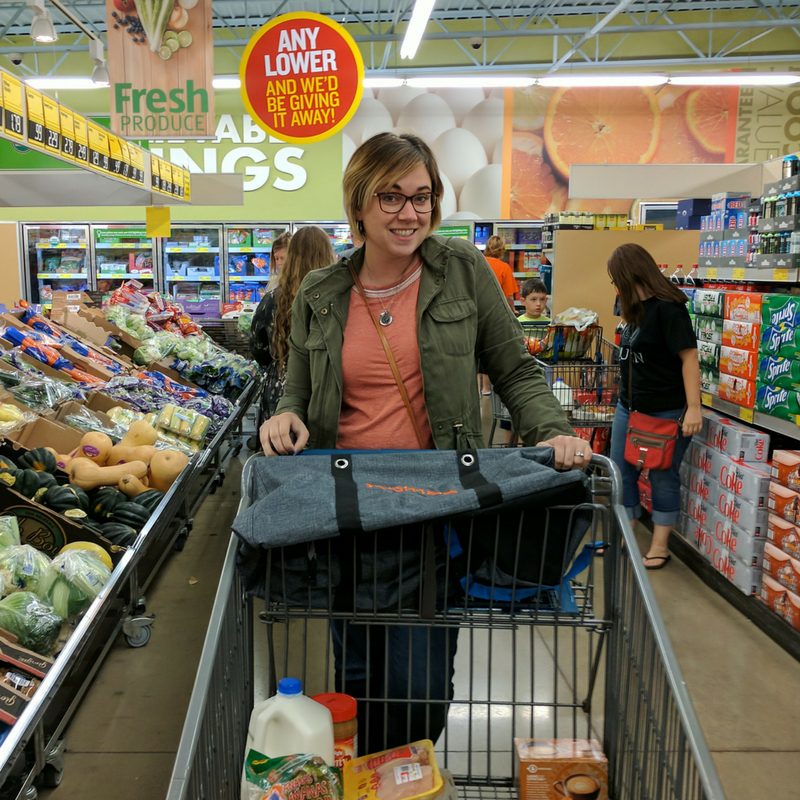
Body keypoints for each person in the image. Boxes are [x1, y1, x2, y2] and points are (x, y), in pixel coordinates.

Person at [259, 132, 590, 752]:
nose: (409, 212)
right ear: (358, 204)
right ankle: (372, 776)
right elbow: (296, 388)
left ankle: (407, 771)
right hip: (348, 509)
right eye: (390, 196)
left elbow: (515, 369)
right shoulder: (320, 292)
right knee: (357, 672)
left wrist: (554, 431)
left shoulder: (461, 270)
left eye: (422, 196)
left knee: (422, 681)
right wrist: (284, 418)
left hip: (434, 502)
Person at [607, 243, 703, 570]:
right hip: (629, 407)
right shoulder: (631, 306)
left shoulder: (669, 309)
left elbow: (689, 358)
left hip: (666, 411)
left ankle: (660, 545)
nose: (614, 286)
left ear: (629, 275)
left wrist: (694, 408)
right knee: (620, 469)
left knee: (663, 475)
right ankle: (628, 529)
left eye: (615, 279)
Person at [249, 226, 335, 426]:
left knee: (280, 443)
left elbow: (258, 347)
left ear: (292, 257)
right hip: (326, 392)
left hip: (282, 394)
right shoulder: (339, 298)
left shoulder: (273, 299)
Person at [483, 235, 517, 311]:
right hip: (496, 310)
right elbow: (509, 296)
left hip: (477, 308)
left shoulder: (477, 263)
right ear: (502, 250)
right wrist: (513, 310)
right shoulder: (504, 267)